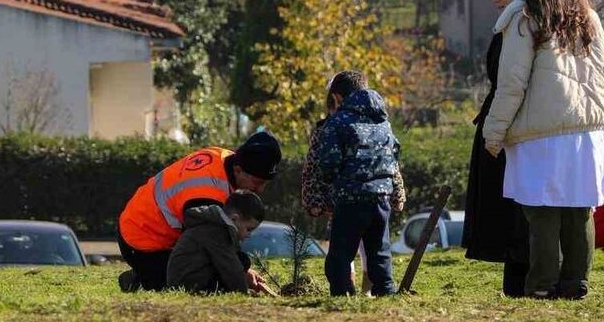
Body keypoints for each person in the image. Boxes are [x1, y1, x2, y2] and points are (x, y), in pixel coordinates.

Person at [482, 0, 604, 301]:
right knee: (579, 211)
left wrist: (493, 131)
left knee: (541, 213)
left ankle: (542, 283)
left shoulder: (526, 17)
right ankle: (577, 282)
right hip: (588, 130)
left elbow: (512, 82)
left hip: (542, 130)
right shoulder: (588, 17)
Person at [116, 131, 282, 292]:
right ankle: (143, 277)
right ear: (238, 170)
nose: (260, 189)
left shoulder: (226, 158)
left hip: (147, 231)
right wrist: (241, 272)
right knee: (203, 282)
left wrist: (242, 268)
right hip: (142, 242)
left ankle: (145, 276)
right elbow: (216, 244)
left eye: (265, 183)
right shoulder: (206, 192)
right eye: (257, 182)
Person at [301, 72, 406, 295]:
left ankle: (343, 295)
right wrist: (393, 190)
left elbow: (328, 163)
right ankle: (386, 291)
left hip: (350, 198)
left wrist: (331, 185)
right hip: (381, 198)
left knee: (339, 256)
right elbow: (394, 156)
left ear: (337, 98)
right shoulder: (383, 122)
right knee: (379, 253)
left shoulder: (336, 123)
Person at [462, 0, 530, 297]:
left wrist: (496, 130)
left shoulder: (518, 25)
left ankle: (519, 279)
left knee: (512, 207)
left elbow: (511, 83)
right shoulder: (509, 24)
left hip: (508, 127)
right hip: (500, 119)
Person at [166, 190, 266, 295]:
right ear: (234, 219)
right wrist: (243, 292)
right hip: (187, 283)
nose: (249, 234)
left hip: (191, 276)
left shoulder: (216, 226)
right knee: (238, 261)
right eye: (249, 229)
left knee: (242, 259)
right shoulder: (216, 232)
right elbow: (231, 268)